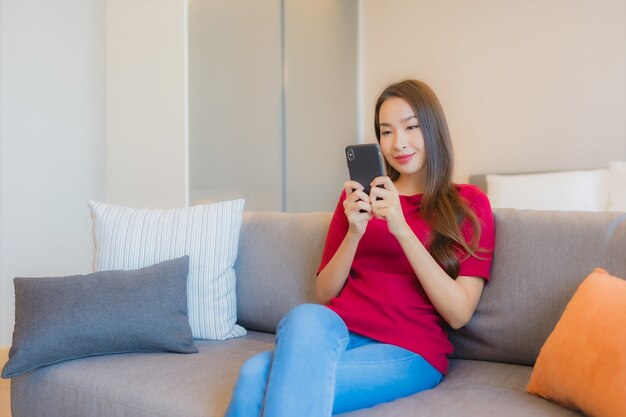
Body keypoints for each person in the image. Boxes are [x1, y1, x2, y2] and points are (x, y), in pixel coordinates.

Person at [224, 79, 495, 417]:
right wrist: (354, 233)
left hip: (408, 347)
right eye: (386, 132)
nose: (398, 143)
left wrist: (402, 229)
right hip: (339, 331)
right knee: (305, 316)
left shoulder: (469, 204)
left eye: (411, 127)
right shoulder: (356, 200)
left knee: (255, 379)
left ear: (433, 129)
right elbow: (324, 292)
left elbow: (458, 313)